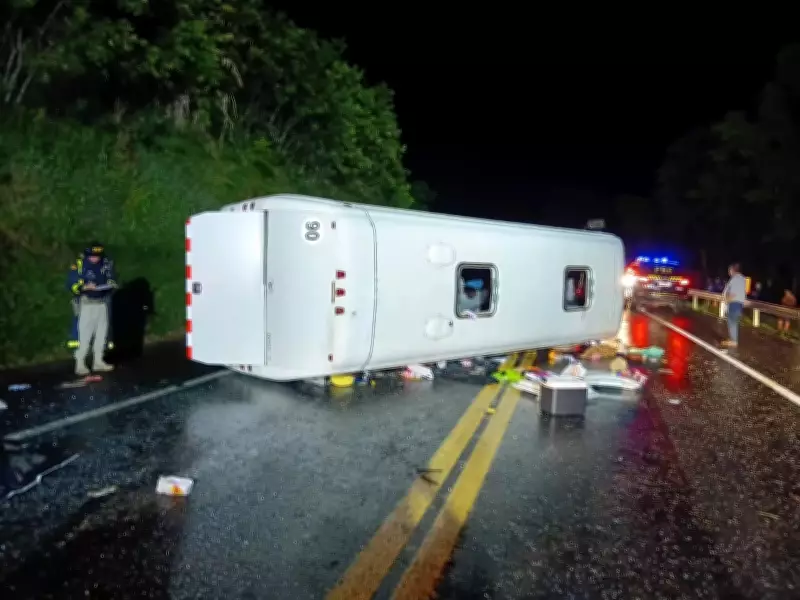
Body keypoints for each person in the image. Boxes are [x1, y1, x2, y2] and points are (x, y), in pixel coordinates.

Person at [66, 242, 118, 375]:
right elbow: (71, 283)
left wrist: (110, 284)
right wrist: (83, 287)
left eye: (98, 256)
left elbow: (112, 277)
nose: (95, 258)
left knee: (102, 333)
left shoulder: (105, 263)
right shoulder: (79, 265)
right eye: (92, 256)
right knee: (84, 335)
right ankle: (80, 363)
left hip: (102, 303)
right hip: (86, 304)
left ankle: (98, 361)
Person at [721, 262, 747, 348]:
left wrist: (726, 301)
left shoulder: (736, 279)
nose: (728, 272)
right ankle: (732, 339)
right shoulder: (741, 279)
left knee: (732, 322)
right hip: (737, 304)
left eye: (729, 270)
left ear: (732, 270)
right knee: (733, 322)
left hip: (734, 303)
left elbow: (733, 294)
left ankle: (733, 341)